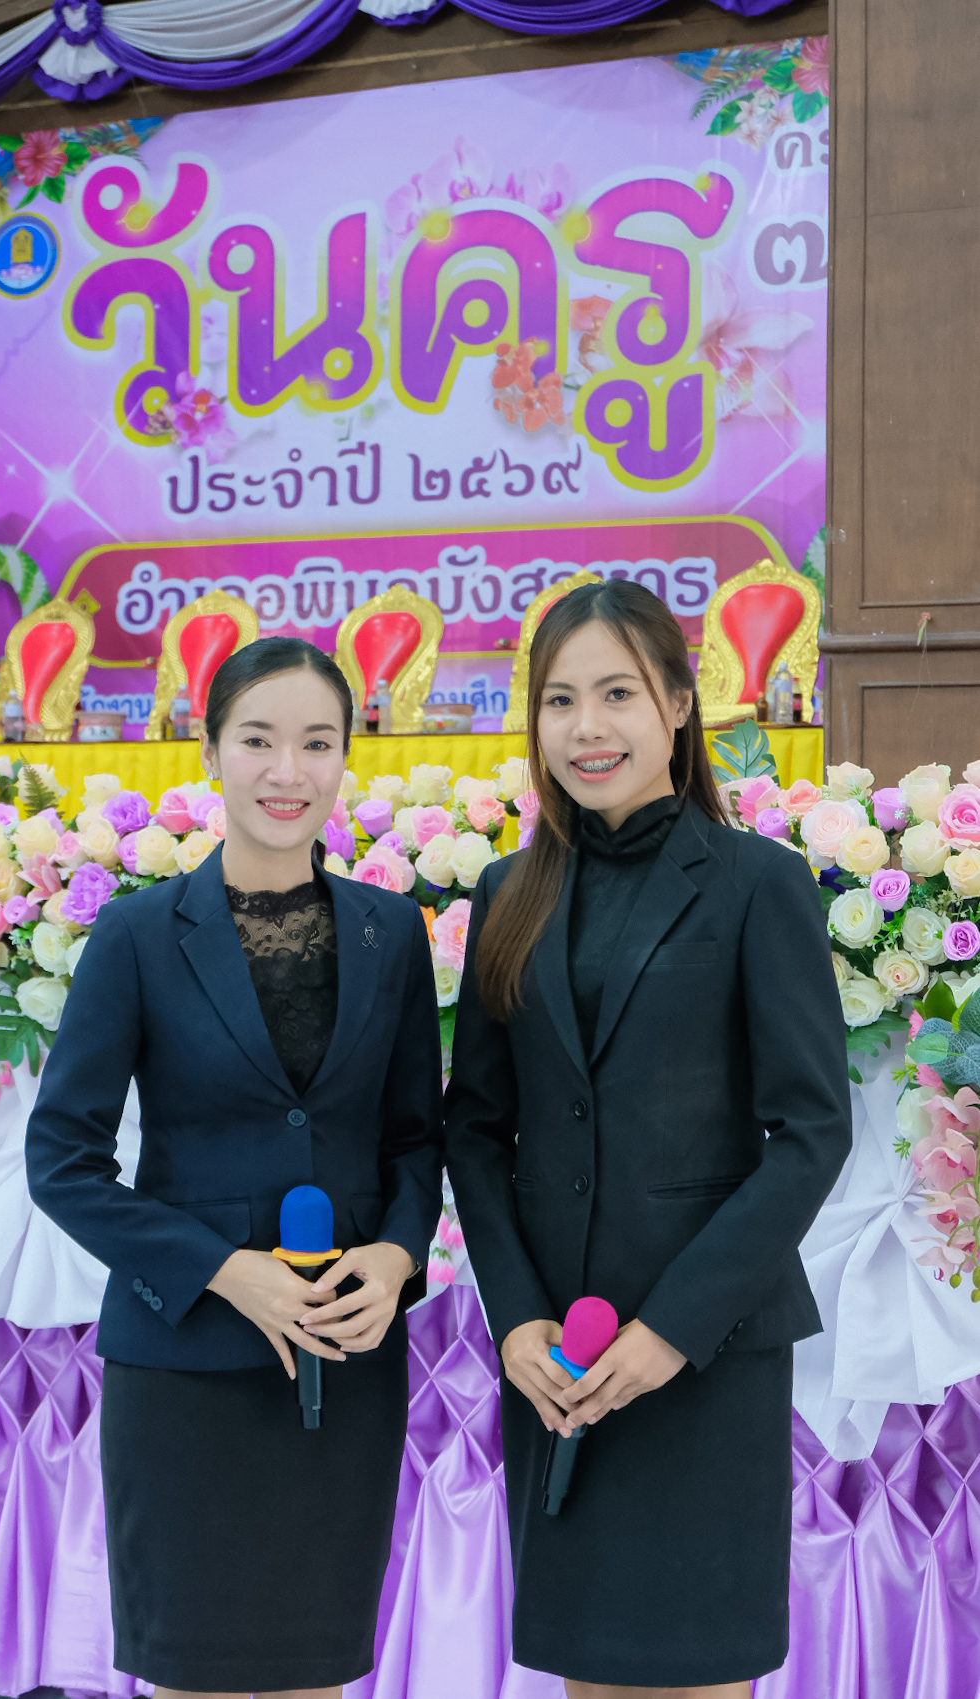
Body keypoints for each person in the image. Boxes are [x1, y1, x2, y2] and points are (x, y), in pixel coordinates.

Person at [444, 581, 851, 1699]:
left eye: (616, 693)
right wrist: (515, 1319)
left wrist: (672, 1328)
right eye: (560, 699)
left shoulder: (756, 881)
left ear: (677, 703)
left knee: (697, 1669)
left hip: (702, 1351)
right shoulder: (508, 891)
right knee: (588, 1670)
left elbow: (810, 1131)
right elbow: (473, 1129)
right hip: (558, 1360)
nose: (587, 726)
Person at [25, 636, 443, 1699]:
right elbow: (61, 1161)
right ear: (209, 752)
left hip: (344, 1362)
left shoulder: (391, 932)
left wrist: (397, 1256)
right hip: (185, 1368)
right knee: (194, 1674)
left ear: (345, 756)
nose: (286, 771)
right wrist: (222, 1268)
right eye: (258, 740)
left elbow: (414, 1136)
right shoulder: (135, 934)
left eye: (316, 742)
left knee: (315, 1672)